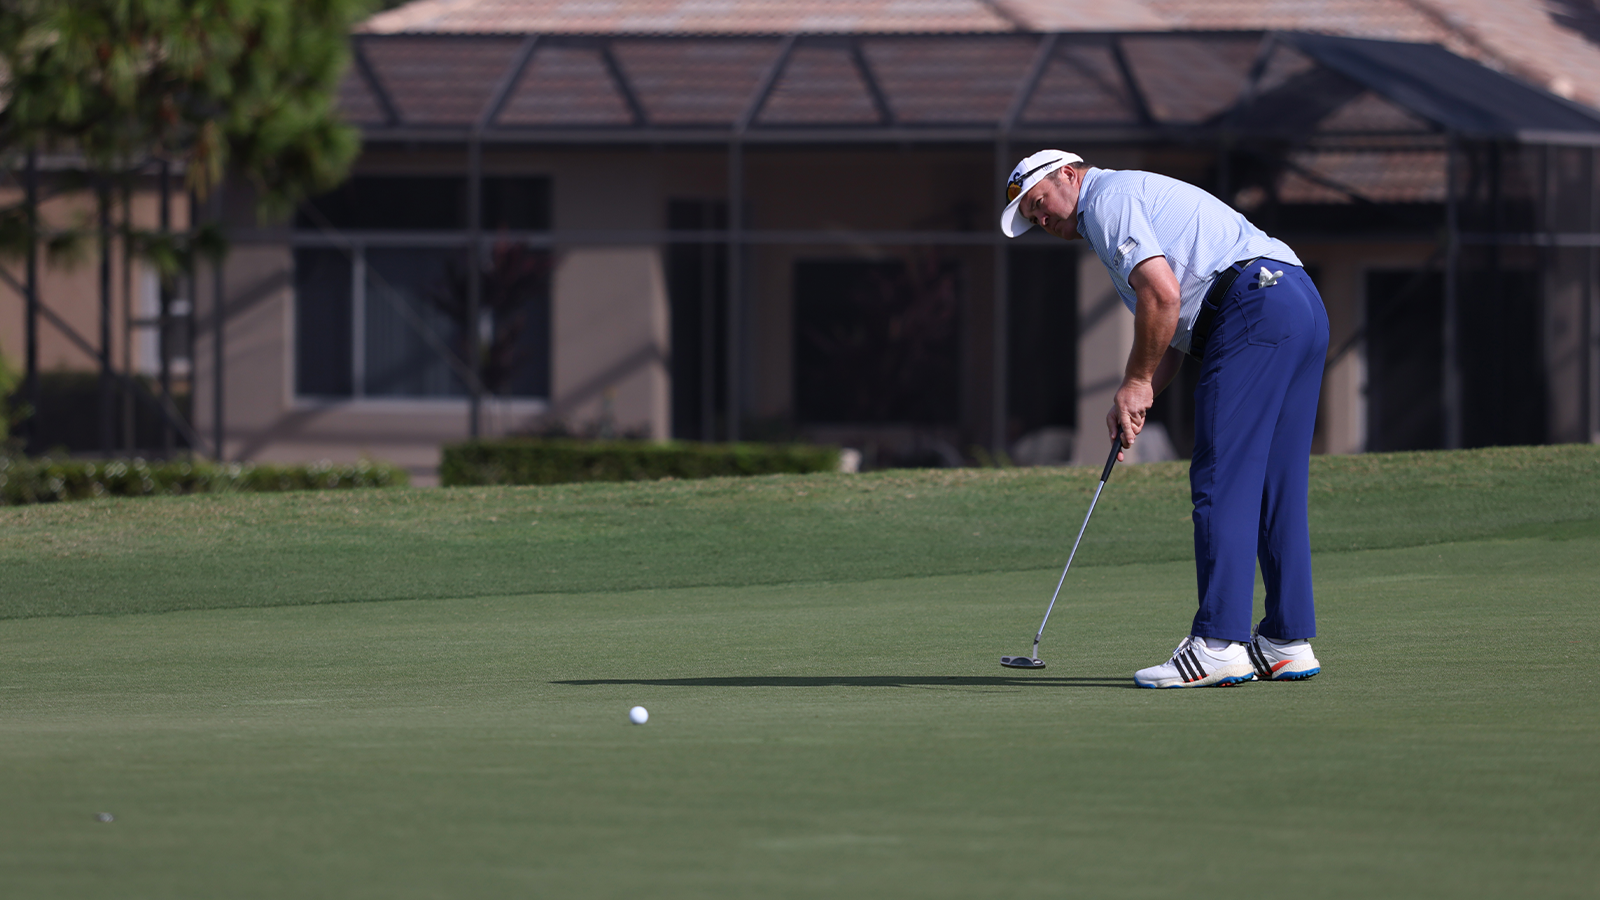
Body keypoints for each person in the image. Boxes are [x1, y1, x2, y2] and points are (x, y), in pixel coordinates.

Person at [999, 150, 1327, 688]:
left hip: (1252, 307)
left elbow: (1162, 296)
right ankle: (1285, 640)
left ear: (1068, 175)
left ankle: (1219, 643)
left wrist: (1132, 383)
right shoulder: (1119, 207)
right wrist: (1138, 392)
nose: (1040, 219)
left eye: (1039, 204)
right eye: (1031, 218)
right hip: (1296, 302)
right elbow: (1169, 330)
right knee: (1273, 484)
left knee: (1221, 478)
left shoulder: (1106, 201)